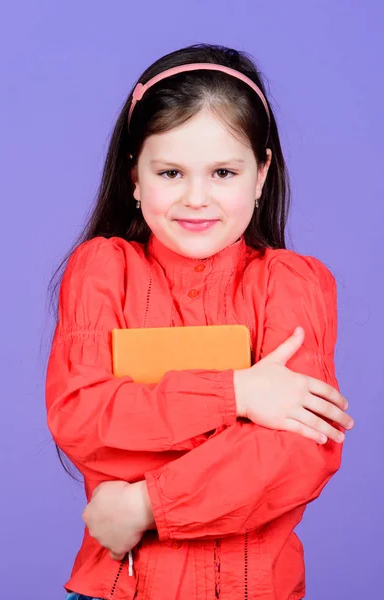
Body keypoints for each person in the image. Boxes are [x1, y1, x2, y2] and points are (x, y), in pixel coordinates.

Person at [45, 43, 354, 600]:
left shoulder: (294, 283)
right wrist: (236, 394)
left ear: (260, 175)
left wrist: (144, 504)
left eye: (222, 172)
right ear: (134, 177)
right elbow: (83, 419)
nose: (195, 198)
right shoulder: (100, 271)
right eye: (169, 171)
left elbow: (298, 454)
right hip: (116, 589)